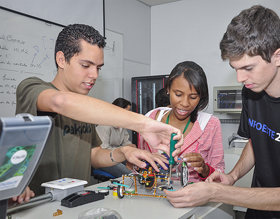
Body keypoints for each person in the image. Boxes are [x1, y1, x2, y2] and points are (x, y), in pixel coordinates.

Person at [165, 5, 280, 218]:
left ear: (278, 56)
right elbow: (256, 140)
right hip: (258, 211)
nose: (240, 79)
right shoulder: (252, 92)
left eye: (248, 68)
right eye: (235, 68)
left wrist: (216, 191)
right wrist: (232, 176)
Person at [12, 24, 183, 204]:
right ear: (61, 60)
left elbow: (93, 155)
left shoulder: (85, 107)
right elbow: (60, 102)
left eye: (98, 68)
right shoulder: (32, 88)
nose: (94, 75)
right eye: (86, 65)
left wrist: (124, 152)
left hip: (77, 201)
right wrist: (143, 124)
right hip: (39, 204)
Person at [139, 61, 225, 182]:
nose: (185, 103)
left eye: (193, 97)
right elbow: (139, 170)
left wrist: (205, 169)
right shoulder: (151, 118)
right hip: (155, 195)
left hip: (193, 198)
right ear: (168, 89)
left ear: (201, 96)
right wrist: (140, 164)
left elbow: (220, 175)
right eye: (178, 94)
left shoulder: (210, 124)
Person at [95, 97, 136, 177]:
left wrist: (131, 147)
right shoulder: (104, 125)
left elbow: (126, 143)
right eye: (126, 112)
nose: (128, 115)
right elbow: (103, 149)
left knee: (137, 169)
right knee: (129, 174)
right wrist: (122, 149)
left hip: (116, 155)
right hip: (104, 158)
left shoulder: (121, 124)